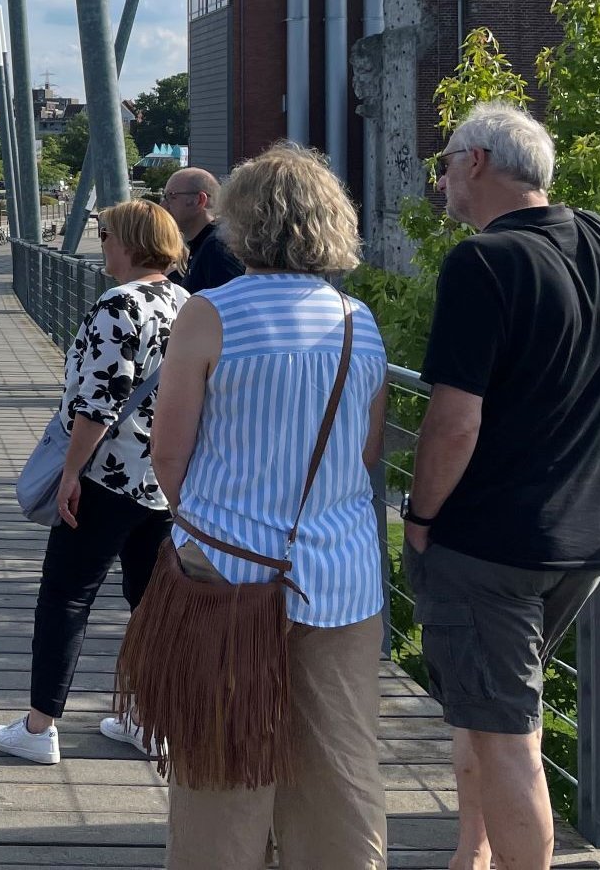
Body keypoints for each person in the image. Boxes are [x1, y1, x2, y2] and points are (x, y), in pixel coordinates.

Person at [406, 103, 600, 870]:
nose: (441, 181)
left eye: (445, 164)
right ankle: (470, 853)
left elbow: (453, 423)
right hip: (583, 536)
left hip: (490, 546)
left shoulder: (481, 263)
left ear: (475, 162)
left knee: (508, 738)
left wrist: (420, 516)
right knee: (487, 712)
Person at [147, 143, 389, 867]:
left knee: (221, 769)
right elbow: (366, 453)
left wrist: (209, 523)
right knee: (339, 765)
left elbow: (168, 452)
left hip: (225, 573)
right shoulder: (358, 321)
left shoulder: (208, 314)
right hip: (340, 577)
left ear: (240, 223)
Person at [0, 200, 189, 765]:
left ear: (130, 242)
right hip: (163, 480)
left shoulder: (119, 304)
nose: (102, 247)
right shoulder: (187, 303)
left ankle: (39, 727)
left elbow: (100, 401)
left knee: (66, 596)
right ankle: (148, 719)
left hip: (106, 477)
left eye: (106, 237)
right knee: (148, 602)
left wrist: (72, 470)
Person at [163, 167, 243, 293]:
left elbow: (232, 300)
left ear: (200, 200)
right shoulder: (205, 244)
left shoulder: (217, 247)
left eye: (171, 196)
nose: (163, 205)